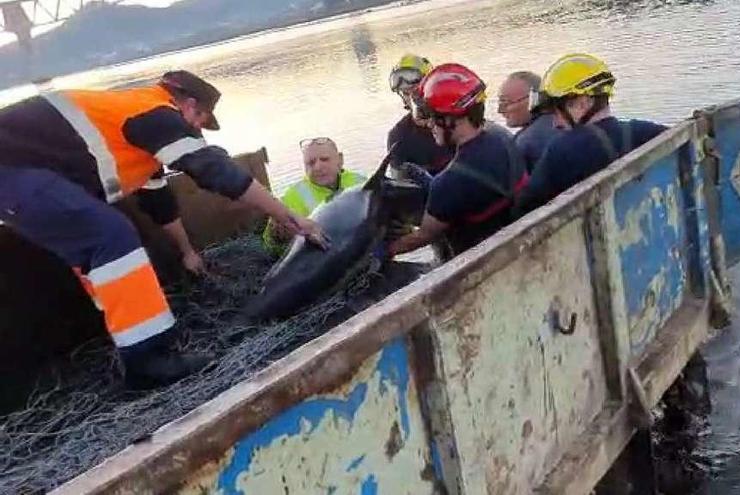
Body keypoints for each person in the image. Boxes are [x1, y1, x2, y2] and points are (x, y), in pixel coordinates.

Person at [0, 70, 328, 389]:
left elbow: (160, 205)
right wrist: (290, 218)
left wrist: (187, 253)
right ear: (183, 102)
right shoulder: (154, 112)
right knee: (111, 236)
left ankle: (125, 333)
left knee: (92, 243)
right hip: (12, 169)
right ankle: (146, 361)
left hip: (27, 176)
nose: (200, 127)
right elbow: (214, 170)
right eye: (200, 116)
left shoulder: (140, 146)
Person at [387, 63, 528, 262]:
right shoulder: (502, 138)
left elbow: (424, 235)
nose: (429, 124)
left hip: (481, 260)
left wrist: (383, 250)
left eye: (432, 117)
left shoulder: (449, 182)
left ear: (450, 119)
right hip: (517, 240)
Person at [515, 54, 668, 216]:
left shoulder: (561, 150)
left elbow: (524, 210)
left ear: (583, 103)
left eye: (557, 113)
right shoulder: (648, 132)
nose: (555, 123)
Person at [263, 137, 365, 256]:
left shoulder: (360, 182)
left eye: (324, 159)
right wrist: (277, 236)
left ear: (340, 159)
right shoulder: (293, 197)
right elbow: (269, 247)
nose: (318, 167)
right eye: (311, 163)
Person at [386, 54, 454, 177]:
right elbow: (399, 182)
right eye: (406, 93)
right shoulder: (398, 136)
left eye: (416, 90)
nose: (413, 98)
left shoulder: (455, 120)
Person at [498, 70, 564, 173]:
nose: (500, 110)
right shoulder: (566, 122)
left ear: (533, 100)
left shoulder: (524, 143)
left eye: (506, 102)